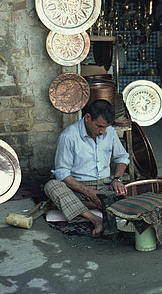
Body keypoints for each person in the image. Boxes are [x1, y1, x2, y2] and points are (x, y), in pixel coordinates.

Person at [44, 99, 130, 238]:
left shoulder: (110, 132)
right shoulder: (68, 136)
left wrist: (117, 179)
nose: (102, 132)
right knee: (51, 186)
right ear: (88, 118)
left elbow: (122, 158)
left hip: (105, 187)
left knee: (127, 194)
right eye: (99, 126)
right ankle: (96, 218)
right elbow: (62, 173)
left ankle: (87, 207)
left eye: (106, 127)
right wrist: (90, 193)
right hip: (78, 188)